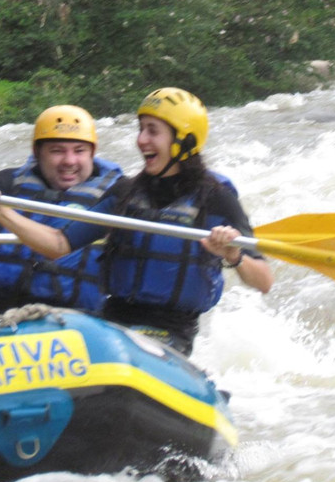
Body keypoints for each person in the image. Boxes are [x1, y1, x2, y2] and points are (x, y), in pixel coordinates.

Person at [99, 87, 273, 355]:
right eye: (141, 129)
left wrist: (234, 255)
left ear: (183, 140)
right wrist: (7, 212)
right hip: (113, 320)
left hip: (171, 332)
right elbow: (59, 242)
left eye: (153, 131)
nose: (141, 139)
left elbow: (264, 281)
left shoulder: (216, 199)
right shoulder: (125, 192)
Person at [0, 105, 123, 313]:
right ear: (37, 152)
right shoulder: (6, 184)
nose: (69, 161)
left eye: (79, 151)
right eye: (57, 151)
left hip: (77, 318)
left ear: (93, 152)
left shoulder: (116, 194)